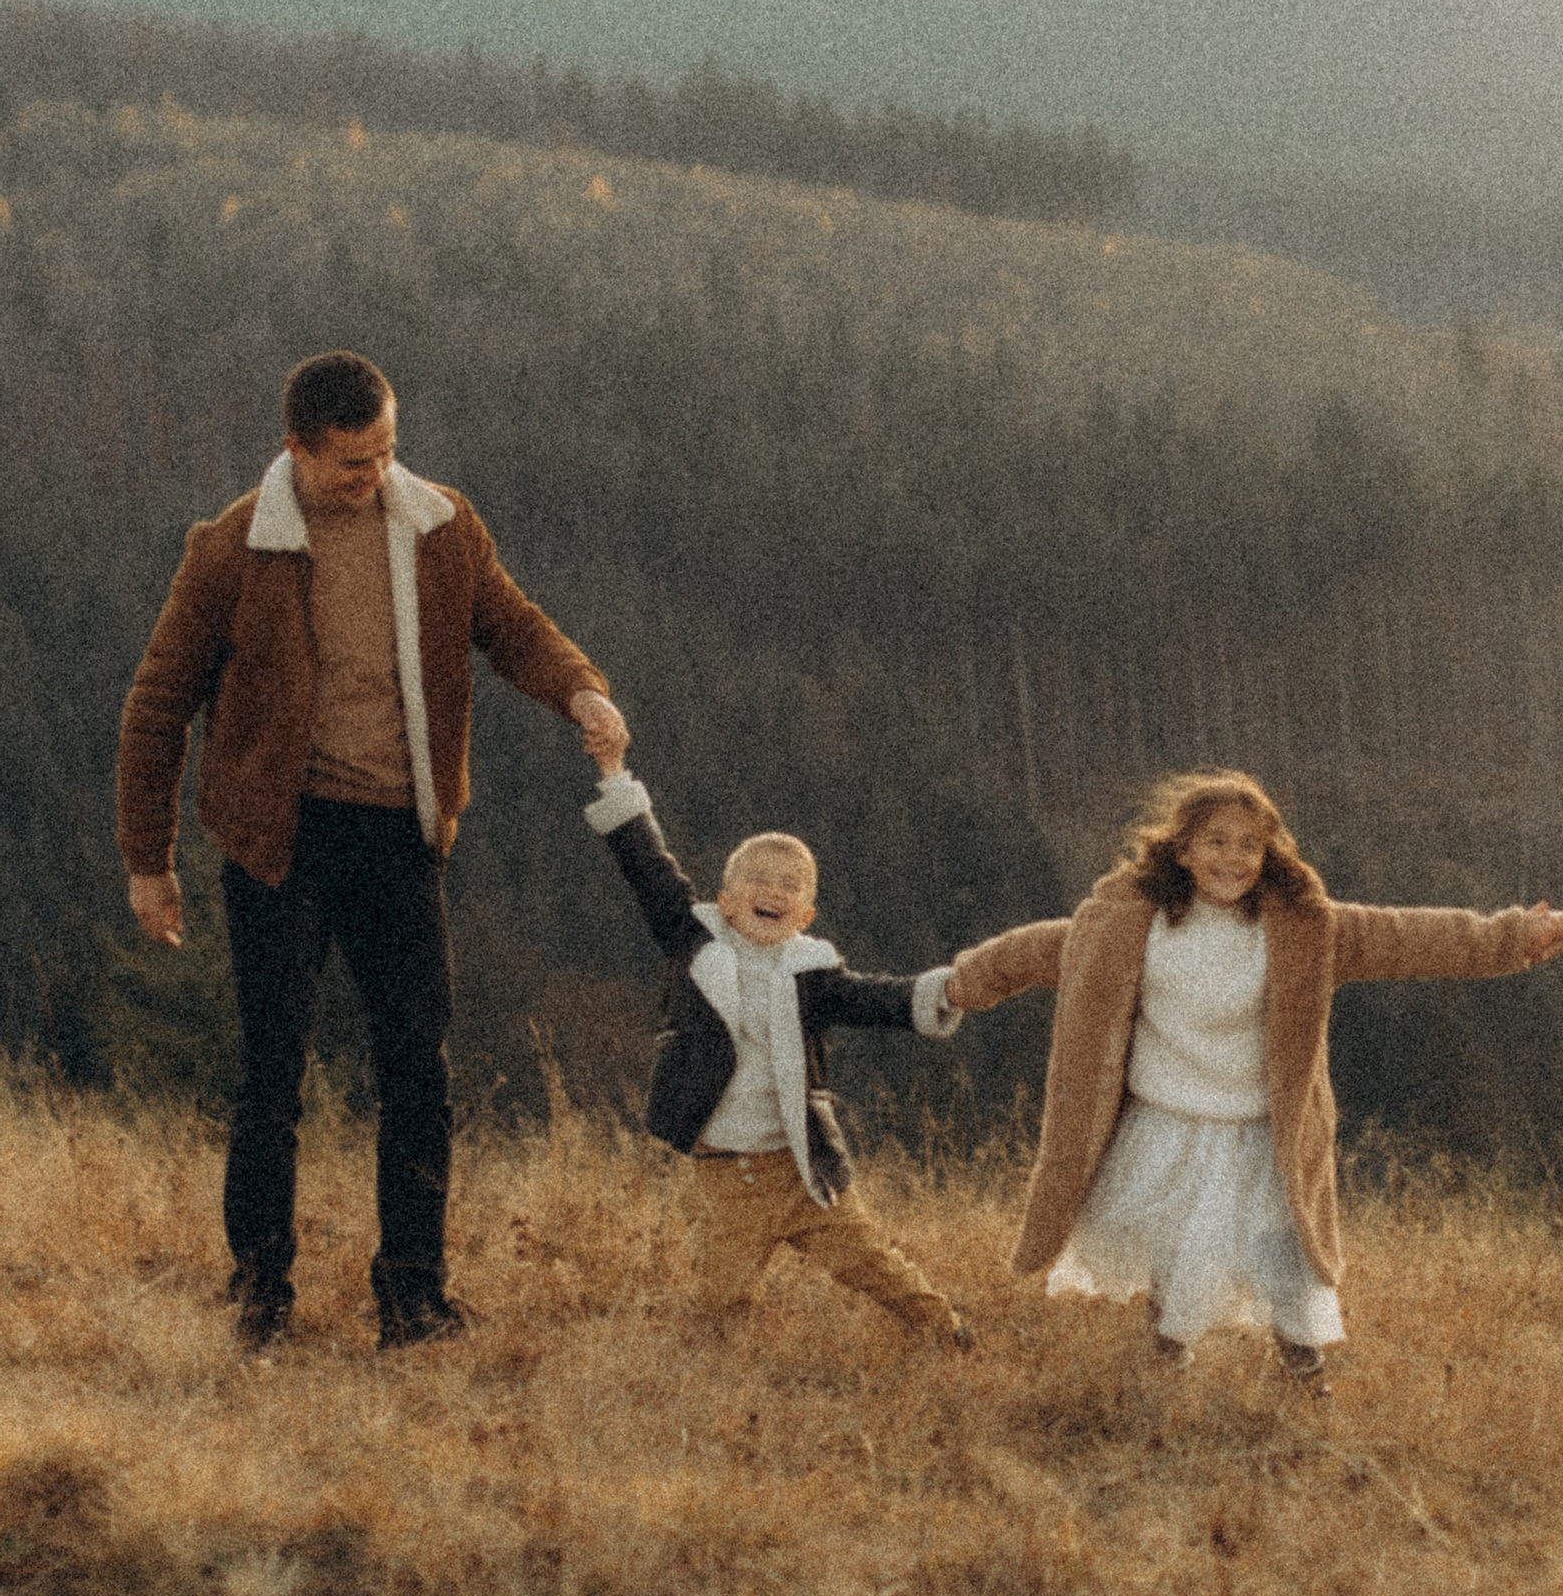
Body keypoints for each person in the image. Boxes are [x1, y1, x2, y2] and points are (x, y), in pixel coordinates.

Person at [117, 350, 624, 1350]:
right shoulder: (230, 551)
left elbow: (511, 628)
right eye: (353, 463)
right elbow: (158, 705)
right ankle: (259, 1295)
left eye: (388, 452)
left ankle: (414, 1298)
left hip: (400, 833)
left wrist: (580, 690)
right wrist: (149, 858)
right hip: (281, 841)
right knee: (273, 1075)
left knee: (419, 1073)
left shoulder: (441, 526)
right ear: (297, 449)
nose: (375, 476)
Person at [945, 770, 1563, 1386]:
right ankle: (1164, 1375)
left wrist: (1516, 935)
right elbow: (1028, 951)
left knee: (1286, 1261)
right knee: (1177, 1254)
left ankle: (1305, 1377)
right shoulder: (1125, 925)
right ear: (1184, 849)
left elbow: (1414, 937)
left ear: (1268, 854)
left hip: (1262, 1134)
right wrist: (954, 987)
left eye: (1251, 844)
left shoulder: (1305, 929)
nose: (1234, 858)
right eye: (1217, 840)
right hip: (1166, 1128)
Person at [580, 726, 972, 1348]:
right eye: (758, 880)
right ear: (727, 900)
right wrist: (613, 773)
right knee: (718, 1298)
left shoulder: (811, 974)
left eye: (790, 886)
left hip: (800, 1166)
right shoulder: (695, 943)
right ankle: (726, 1393)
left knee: (873, 1261)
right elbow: (649, 869)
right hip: (723, 1174)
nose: (774, 891)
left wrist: (944, 991)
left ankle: (947, 1332)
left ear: (806, 915)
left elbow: (879, 999)